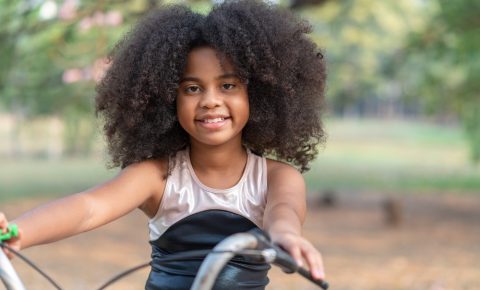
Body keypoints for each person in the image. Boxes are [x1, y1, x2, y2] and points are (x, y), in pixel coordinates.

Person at [0, 0, 327, 289]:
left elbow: (284, 212)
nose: (211, 101)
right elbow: (89, 208)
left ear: (258, 95)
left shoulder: (277, 178)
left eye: (228, 85)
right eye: (192, 89)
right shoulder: (159, 175)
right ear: (167, 98)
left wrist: (285, 235)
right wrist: (19, 234)